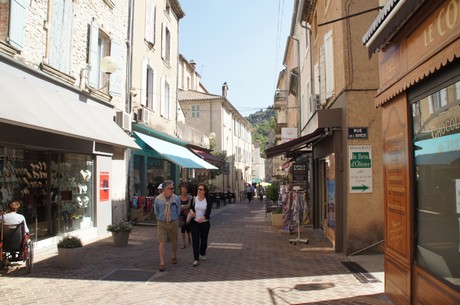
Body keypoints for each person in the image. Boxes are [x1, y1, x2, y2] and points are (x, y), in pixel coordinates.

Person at [153, 180, 180, 272]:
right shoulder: (158, 199)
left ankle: (174, 255)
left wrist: (175, 218)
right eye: (170, 188)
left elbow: (178, 210)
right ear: (164, 189)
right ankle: (162, 262)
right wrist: (161, 218)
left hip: (173, 222)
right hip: (162, 223)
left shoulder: (176, 198)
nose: (172, 190)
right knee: (162, 242)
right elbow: (156, 211)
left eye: (173, 188)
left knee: (174, 241)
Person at [188, 183, 212, 267]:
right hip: (194, 223)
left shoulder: (208, 199)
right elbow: (190, 207)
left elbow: (209, 211)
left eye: (201, 189)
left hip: (204, 223)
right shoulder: (194, 199)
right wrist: (191, 212)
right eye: (198, 189)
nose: (199, 190)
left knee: (204, 240)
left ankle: (202, 252)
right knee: (195, 240)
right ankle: (196, 259)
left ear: (204, 191)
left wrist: (204, 217)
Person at [179, 184, 192, 249]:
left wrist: (182, 206)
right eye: (182, 189)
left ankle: (189, 237)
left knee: (187, 226)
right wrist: (183, 207)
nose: (183, 190)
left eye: (184, 189)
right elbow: (178, 206)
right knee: (182, 227)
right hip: (181, 215)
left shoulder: (190, 197)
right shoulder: (179, 197)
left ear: (187, 190)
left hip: (188, 214)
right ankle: (183, 243)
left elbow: (189, 205)